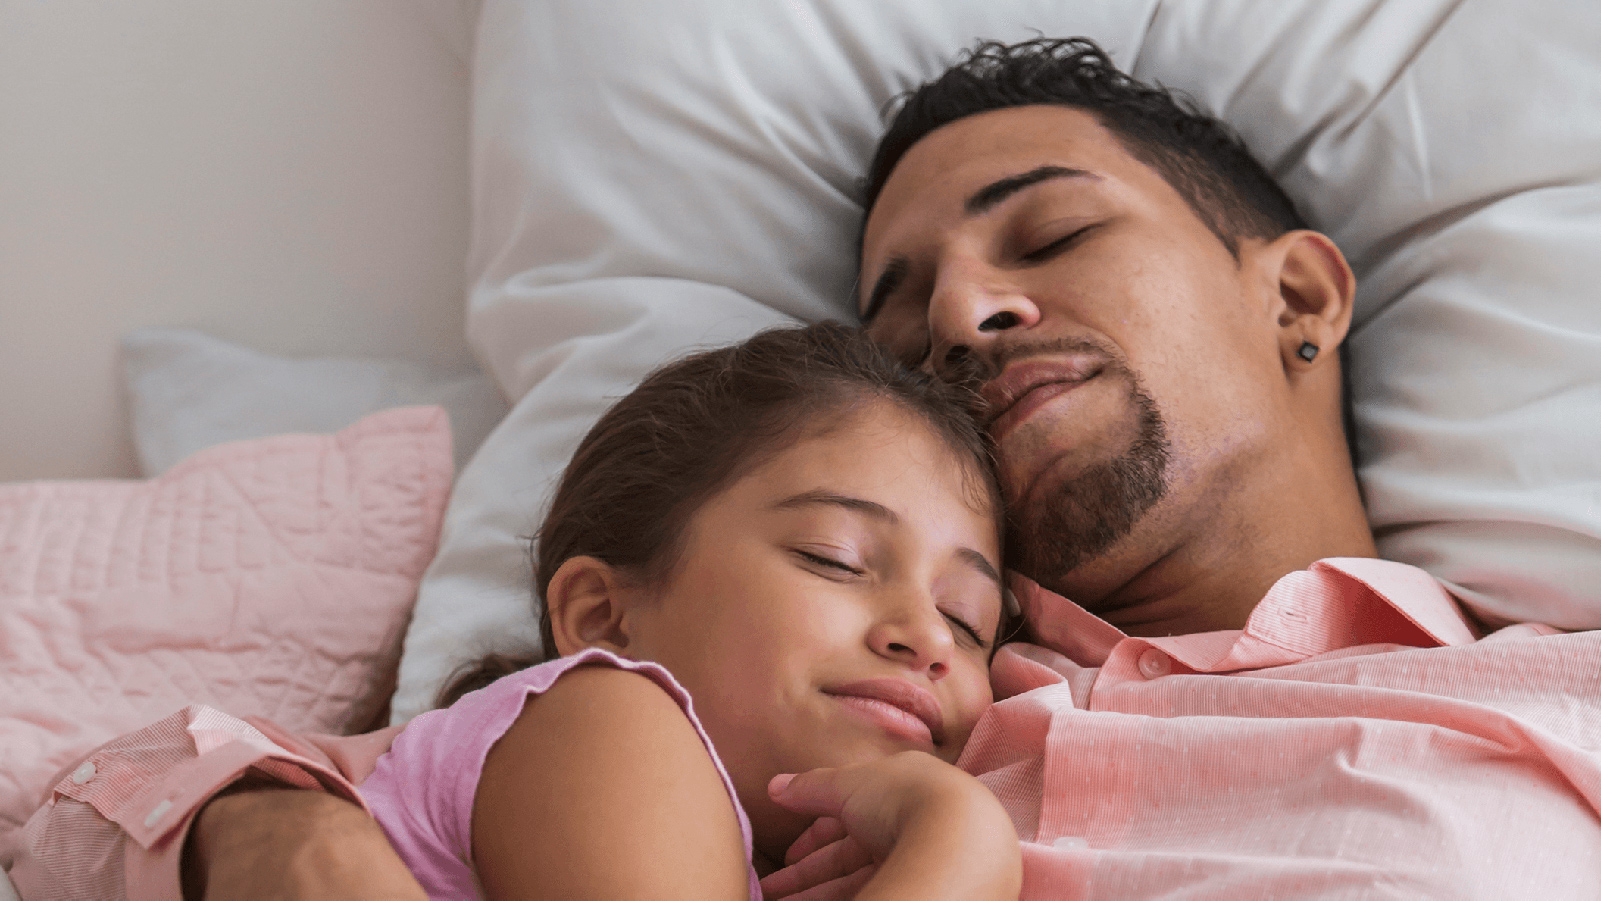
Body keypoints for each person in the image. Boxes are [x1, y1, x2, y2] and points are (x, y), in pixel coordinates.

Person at [20, 36, 1601, 900]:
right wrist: (262, 826)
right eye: (903, 318)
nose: (969, 316)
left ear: (1302, 298)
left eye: (1051, 235)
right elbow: (81, 809)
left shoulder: (1555, 700)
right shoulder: (803, 713)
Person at [11, 323, 1023, 899]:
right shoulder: (617, 715)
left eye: (971, 620)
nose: (924, 634)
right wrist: (958, 847)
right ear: (604, 616)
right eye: (834, 556)